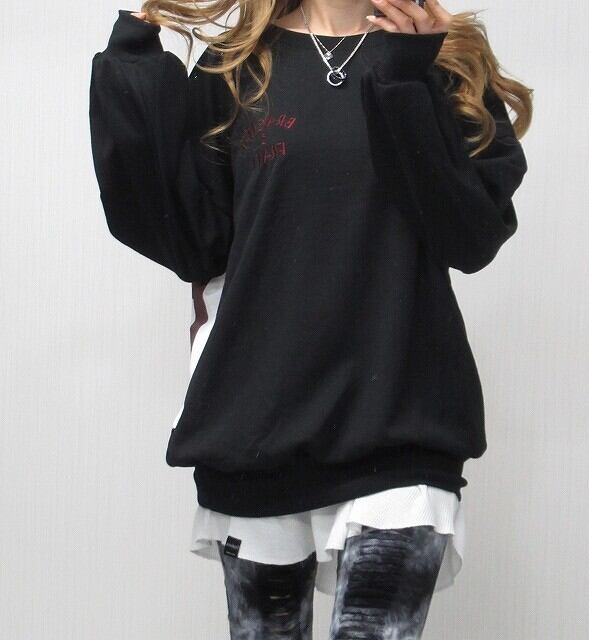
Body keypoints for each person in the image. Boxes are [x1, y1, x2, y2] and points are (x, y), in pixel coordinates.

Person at [89, 0, 532, 637]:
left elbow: (470, 237)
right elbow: (192, 242)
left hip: (400, 421)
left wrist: (406, 78)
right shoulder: (237, 68)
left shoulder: (444, 58)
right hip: (259, 425)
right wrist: (134, 52)